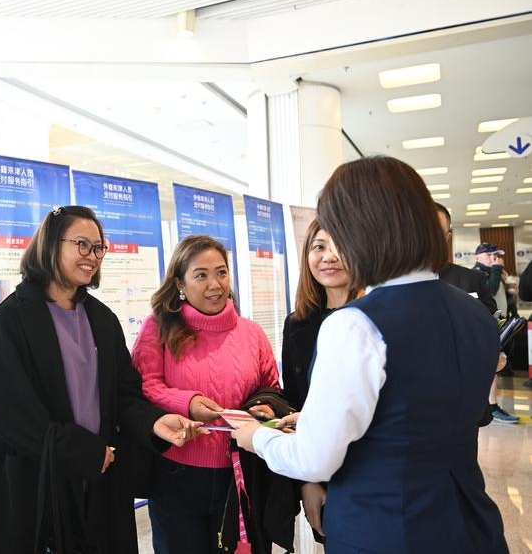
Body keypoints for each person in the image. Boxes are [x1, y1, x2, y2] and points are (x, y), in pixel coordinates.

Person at [231, 156, 508, 553]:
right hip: (469, 521)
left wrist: (256, 437)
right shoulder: (474, 312)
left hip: (385, 528)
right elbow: (412, 413)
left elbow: (314, 459)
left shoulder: (355, 325)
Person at [0, 205, 203, 554]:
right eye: (82, 245)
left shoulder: (101, 319)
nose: (93, 256)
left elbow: (124, 396)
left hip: (99, 482)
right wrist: (82, 451)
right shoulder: (10, 320)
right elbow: (11, 413)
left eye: (98, 248)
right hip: (38, 483)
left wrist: (155, 423)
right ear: (51, 245)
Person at [131, 234, 292, 554]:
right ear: (179, 283)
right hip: (176, 474)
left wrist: (264, 408)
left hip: (242, 472)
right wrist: (187, 403)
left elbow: (271, 388)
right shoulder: (158, 327)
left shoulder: (252, 333)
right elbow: (143, 386)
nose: (214, 284)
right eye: (200, 275)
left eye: (221, 272)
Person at [280, 219, 360, 540]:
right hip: (322, 472)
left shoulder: (376, 317)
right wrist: (307, 479)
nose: (329, 256)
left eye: (340, 246)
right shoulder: (296, 323)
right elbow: (295, 402)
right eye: (319, 247)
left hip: (372, 468)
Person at [435, 204, 517, 424]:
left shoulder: (470, 279)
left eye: (436, 230)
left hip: (464, 394)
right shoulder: (390, 282)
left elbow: (495, 318)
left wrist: (500, 354)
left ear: (447, 236)